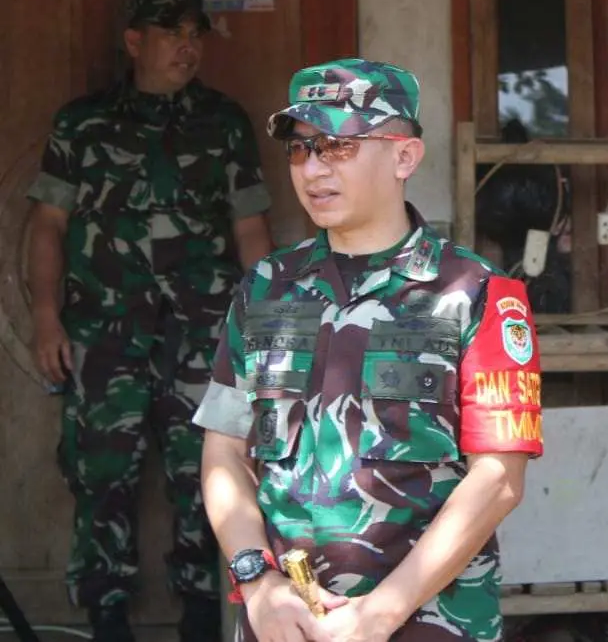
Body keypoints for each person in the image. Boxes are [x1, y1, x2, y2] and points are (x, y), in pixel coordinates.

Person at [194, 59, 543, 642]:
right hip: (285, 622)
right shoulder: (266, 286)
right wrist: (258, 582)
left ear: (404, 156)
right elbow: (224, 453)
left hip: (427, 623)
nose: (312, 168)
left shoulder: (476, 293)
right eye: (300, 149)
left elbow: (499, 478)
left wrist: (379, 615)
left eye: (338, 146)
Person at [24, 0, 275, 642]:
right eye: (171, 32)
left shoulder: (224, 123)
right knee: (99, 474)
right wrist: (47, 317)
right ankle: (105, 618)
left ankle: (202, 614)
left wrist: (263, 330)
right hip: (105, 338)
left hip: (204, 337)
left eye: (195, 32)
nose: (187, 45)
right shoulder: (82, 123)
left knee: (207, 478)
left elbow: (251, 228)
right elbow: (47, 224)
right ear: (135, 41)